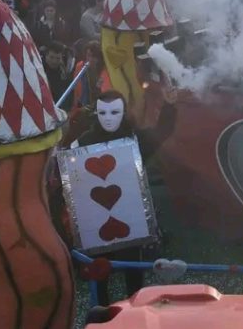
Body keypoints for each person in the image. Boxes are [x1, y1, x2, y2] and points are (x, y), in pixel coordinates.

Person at [70, 90, 178, 305]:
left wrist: (169, 106)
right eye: (103, 112)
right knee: (99, 276)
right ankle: (102, 313)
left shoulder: (136, 138)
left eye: (114, 112)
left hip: (130, 218)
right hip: (96, 222)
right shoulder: (83, 142)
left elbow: (162, 131)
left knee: (133, 272)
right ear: (96, 113)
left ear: (123, 112)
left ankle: (135, 311)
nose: (108, 118)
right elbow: (70, 169)